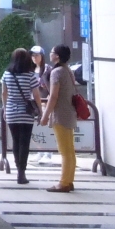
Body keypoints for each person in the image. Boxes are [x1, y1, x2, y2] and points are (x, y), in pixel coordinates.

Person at [1, 48, 43, 185]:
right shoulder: (30, 75)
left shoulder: (7, 74)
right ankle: (21, 173)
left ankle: (18, 167)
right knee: (24, 143)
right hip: (26, 113)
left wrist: (5, 109)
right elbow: (36, 95)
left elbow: (4, 94)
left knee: (16, 141)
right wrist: (40, 111)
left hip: (11, 111)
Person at [39, 44, 78, 192]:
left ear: (57, 56)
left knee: (64, 151)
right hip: (69, 112)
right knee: (70, 150)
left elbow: (54, 96)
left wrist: (45, 115)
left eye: (52, 52)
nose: (50, 54)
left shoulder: (56, 72)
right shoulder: (67, 70)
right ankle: (69, 180)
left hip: (60, 115)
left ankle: (64, 183)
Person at [30, 44, 54, 165]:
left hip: (44, 102)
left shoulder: (48, 69)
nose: (34, 57)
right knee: (36, 128)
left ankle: (48, 153)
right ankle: (40, 151)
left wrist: (50, 98)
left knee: (45, 127)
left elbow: (52, 86)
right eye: (32, 55)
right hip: (33, 103)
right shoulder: (30, 69)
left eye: (37, 55)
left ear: (42, 56)